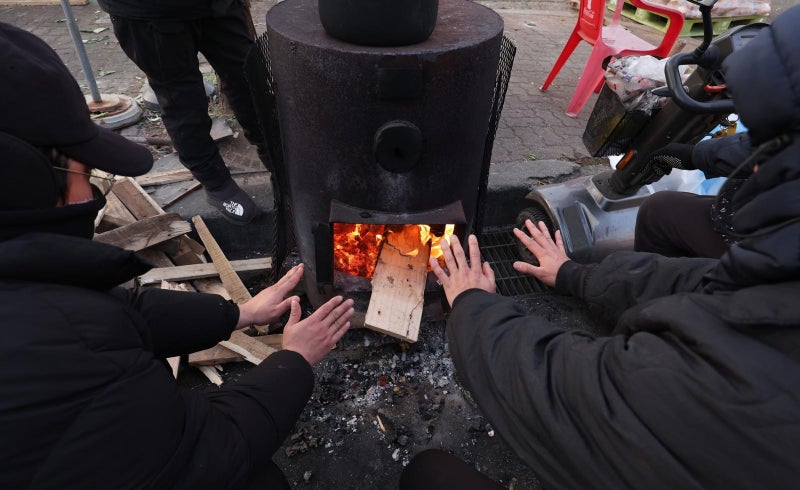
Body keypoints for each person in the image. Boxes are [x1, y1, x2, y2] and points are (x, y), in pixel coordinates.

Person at [426, 6, 800, 489]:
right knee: (665, 211)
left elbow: (561, 391)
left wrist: (471, 306)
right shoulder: (777, 279)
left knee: (429, 474)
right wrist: (572, 275)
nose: (752, 163)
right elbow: (702, 282)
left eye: (769, 149)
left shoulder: (735, 380)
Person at [0, 23, 354, 489]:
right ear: (28, 181)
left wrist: (238, 314)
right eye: (88, 174)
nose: (98, 198)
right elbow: (207, 453)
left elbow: (114, 318)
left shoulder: (34, 302)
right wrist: (294, 361)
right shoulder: (73, 367)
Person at [97, 0, 270, 225]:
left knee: (249, 79)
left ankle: (275, 157)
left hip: (219, 6)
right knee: (182, 101)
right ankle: (215, 181)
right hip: (150, 13)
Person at [633, 131, 753, 258]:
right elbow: (770, 148)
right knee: (656, 211)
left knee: (655, 214)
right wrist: (697, 155)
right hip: (749, 209)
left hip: (760, 249)